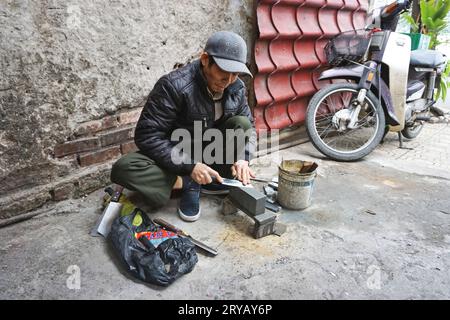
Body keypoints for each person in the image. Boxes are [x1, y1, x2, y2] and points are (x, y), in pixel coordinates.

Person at [111, 31, 256, 222]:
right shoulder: (173, 85)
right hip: (178, 155)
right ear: (205, 59)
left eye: (235, 74)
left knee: (242, 124)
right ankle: (189, 182)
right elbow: (147, 135)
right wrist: (189, 167)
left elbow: (249, 125)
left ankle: (214, 176)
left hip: (211, 152)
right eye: (223, 72)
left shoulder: (236, 86)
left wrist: (243, 158)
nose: (228, 81)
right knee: (124, 168)